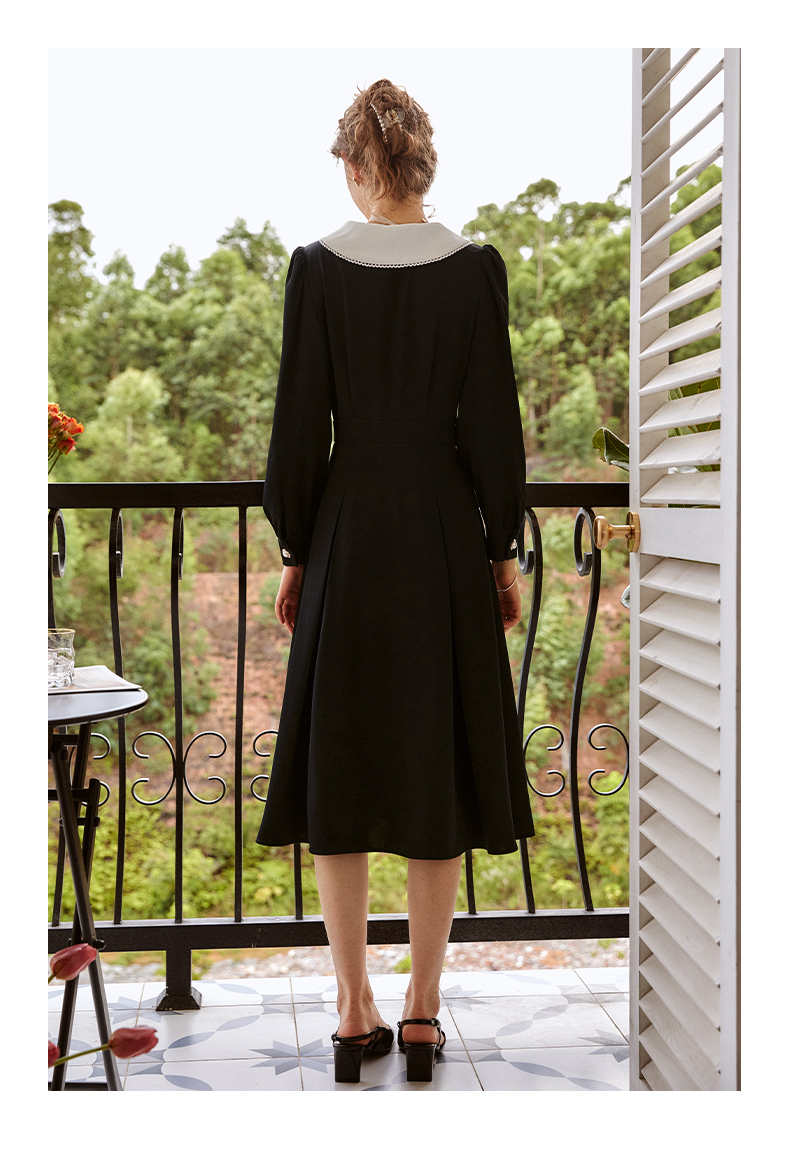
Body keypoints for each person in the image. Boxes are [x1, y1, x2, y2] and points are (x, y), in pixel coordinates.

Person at [256, 78, 534, 1084]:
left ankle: (351, 1009)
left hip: (348, 533)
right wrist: (500, 549)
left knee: (342, 764)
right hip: (443, 540)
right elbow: (492, 425)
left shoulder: (316, 267)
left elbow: (299, 423)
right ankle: (421, 1012)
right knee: (431, 765)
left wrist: (297, 548)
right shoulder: (475, 268)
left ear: (356, 165)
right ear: (421, 164)